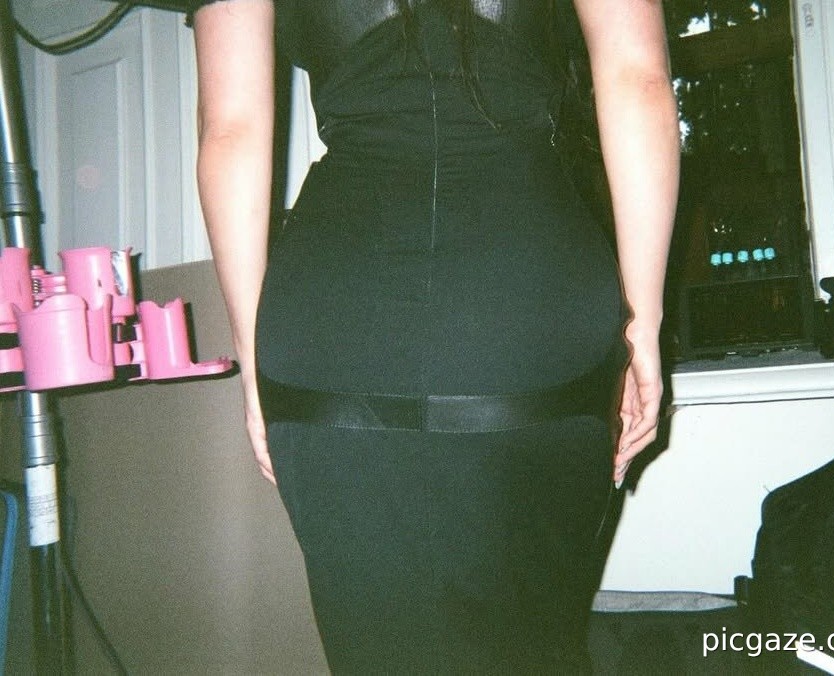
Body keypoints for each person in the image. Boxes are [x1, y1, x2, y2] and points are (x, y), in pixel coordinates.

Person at [190, 0, 678, 671]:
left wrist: (255, 358)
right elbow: (637, 79)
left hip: (334, 315)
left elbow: (231, 129)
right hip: (531, 296)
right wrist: (639, 326)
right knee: (534, 645)